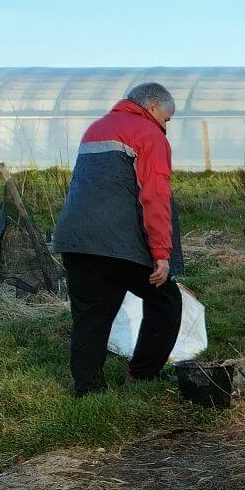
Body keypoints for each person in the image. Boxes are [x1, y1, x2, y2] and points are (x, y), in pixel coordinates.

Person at [52, 82, 183, 396]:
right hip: (117, 244)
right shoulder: (149, 134)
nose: (166, 126)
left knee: (91, 316)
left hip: (76, 240)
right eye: (167, 118)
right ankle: (142, 375)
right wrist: (161, 254)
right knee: (166, 301)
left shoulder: (95, 129)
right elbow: (155, 197)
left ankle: (88, 389)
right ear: (152, 107)